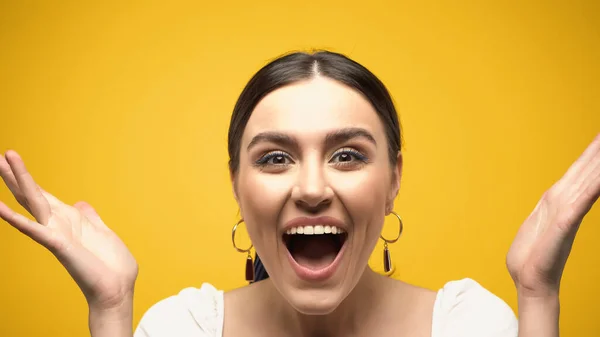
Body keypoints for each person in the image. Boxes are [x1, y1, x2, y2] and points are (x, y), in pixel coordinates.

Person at [0, 50, 598, 337]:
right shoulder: (183, 329)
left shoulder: (471, 326)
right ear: (237, 185)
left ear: (393, 180)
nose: (312, 188)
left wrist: (537, 296)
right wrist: (111, 311)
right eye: (276, 158)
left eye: (347, 155)